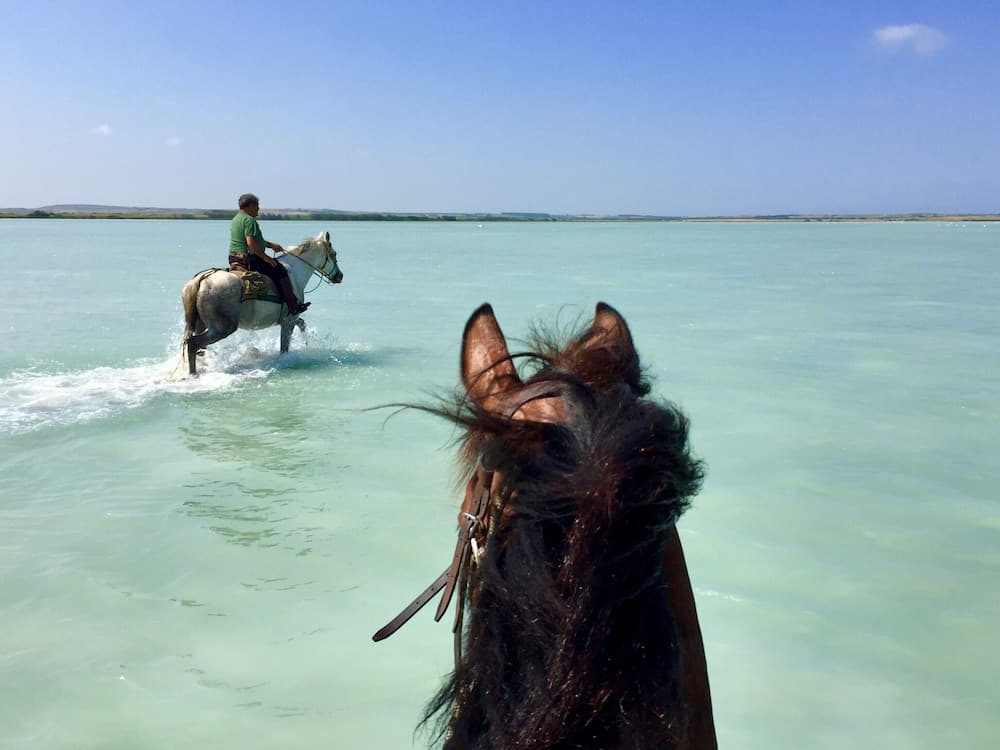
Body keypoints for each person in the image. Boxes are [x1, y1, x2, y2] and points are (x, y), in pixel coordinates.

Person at [228, 193, 309, 315]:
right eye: (257, 205)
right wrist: (266, 258)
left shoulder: (236, 219)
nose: (258, 208)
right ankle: (293, 306)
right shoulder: (249, 220)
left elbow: (254, 240)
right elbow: (251, 244)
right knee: (281, 270)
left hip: (233, 257)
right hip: (248, 258)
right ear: (250, 205)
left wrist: (271, 245)